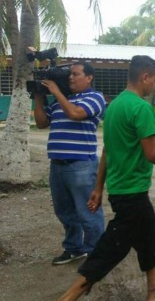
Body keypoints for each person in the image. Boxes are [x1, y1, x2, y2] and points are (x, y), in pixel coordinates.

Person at [58, 55, 155, 301]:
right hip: (132, 193)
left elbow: (107, 151)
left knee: (150, 241)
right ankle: (70, 295)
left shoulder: (115, 106)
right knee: (111, 249)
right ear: (145, 77)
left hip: (122, 190)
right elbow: (151, 154)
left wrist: (99, 188)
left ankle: (154, 290)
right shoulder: (141, 108)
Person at [33, 61, 106, 266]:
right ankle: (74, 248)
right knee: (65, 212)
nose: (71, 78)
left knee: (88, 212)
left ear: (89, 77)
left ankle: (97, 254)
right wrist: (38, 97)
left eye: (76, 74)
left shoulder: (95, 97)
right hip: (57, 166)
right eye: (70, 75)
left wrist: (56, 92)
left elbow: (75, 114)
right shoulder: (60, 102)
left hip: (81, 165)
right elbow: (40, 123)